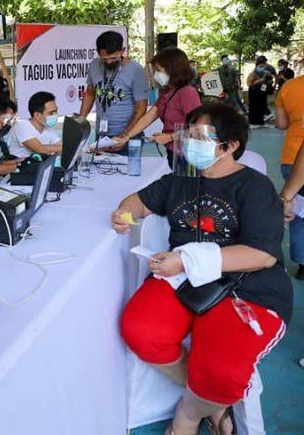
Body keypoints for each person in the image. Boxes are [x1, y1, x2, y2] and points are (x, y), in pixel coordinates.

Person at [113, 103, 292, 435]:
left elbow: (262, 254)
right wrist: (124, 213)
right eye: (189, 135)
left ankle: (189, 414)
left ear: (229, 146)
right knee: (141, 331)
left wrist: (186, 258)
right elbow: (138, 200)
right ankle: (211, 401)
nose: (190, 143)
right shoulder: (182, 179)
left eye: (200, 136)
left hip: (244, 284)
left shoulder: (254, 187)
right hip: (182, 278)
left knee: (223, 370)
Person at [113, 48, 202, 167]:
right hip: (173, 152)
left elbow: (200, 129)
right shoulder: (167, 91)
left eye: (159, 70)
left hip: (188, 155)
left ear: (172, 70)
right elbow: (148, 117)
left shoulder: (188, 93)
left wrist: (170, 137)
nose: (156, 74)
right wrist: (126, 136)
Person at [79, 31, 149, 153]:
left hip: (128, 136)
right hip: (102, 135)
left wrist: (125, 136)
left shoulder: (135, 70)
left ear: (122, 50)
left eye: (113, 58)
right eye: (104, 58)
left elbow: (141, 108)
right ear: (98, 53)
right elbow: (90, 93)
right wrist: (80, 121)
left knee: (127, 170)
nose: (109, 62)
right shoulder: (95, 65)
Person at [274, 73, 304, 279]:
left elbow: (281, 123)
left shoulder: (289, 87)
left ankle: (302, 263)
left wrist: (286, 197)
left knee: (299, 215)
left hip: (291, 157)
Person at [8, 91, 63, 161]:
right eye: (51, 113)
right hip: (20, 169)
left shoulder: (48, 128)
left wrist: (62, 148)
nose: (56, 115)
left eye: (56, 111)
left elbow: (63, 147)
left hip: (38, 168)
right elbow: (40, 150)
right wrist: (61, 148)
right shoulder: (21, 125)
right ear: (37, 115)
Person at [247, 55, 273, 126]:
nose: (262, 68)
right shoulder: (252, 74)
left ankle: (261, 122)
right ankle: (252, 123)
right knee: (254, 107)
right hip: (254, 92)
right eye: (260, 66)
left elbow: (269, 82)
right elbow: (249, 84)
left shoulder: (267, 73)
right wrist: (261, 80)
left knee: (262, 106)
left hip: (262, 91)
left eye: (263, 66)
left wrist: (269, 81)